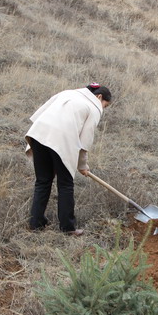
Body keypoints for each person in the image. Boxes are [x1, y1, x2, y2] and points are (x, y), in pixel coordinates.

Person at [25, 83, 112, 236]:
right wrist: (82, 165)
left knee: (43, 180)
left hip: (39, 134)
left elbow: (39, 114)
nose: (103, 108)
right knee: (65, 184)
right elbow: (85, 141)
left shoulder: (68, 93)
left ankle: (35, 223)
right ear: (99, 97)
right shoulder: (94, 107)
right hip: (61, 141)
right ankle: (68, 228)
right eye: (105, 105)